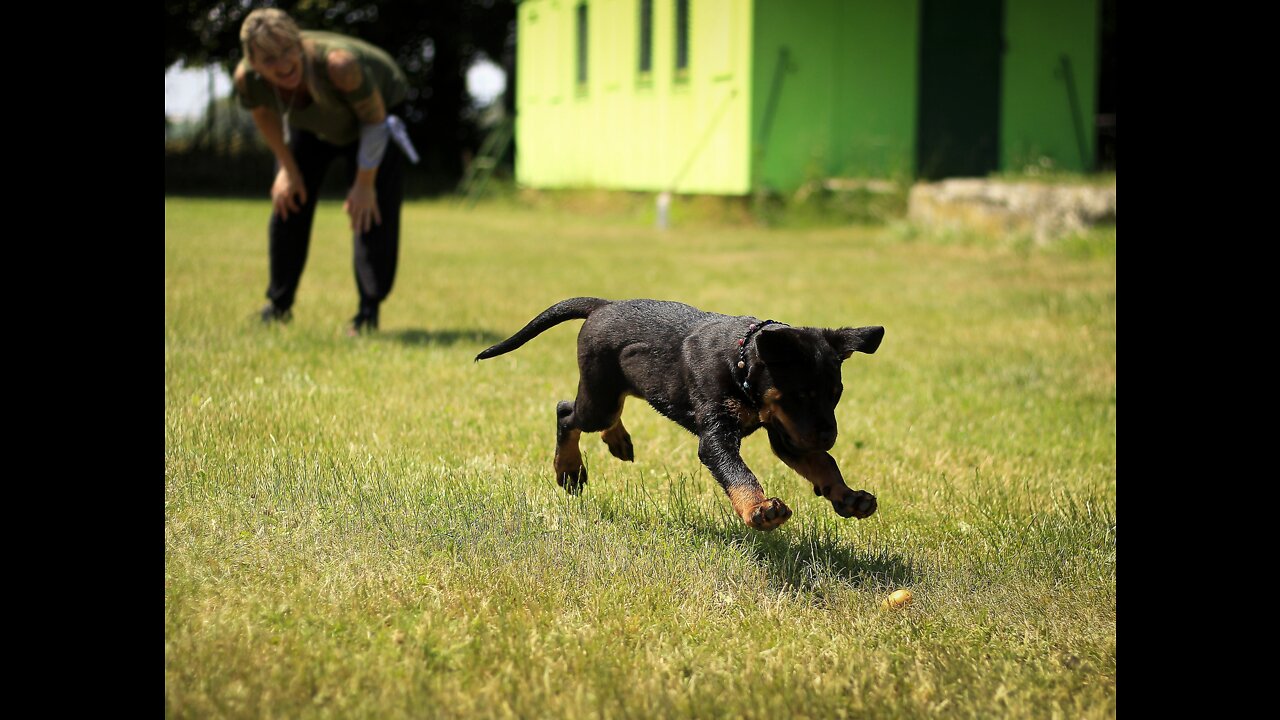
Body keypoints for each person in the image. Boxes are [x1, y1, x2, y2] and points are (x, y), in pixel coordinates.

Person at [235, 8, 417, 334]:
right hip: (314, 124)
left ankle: (367, 312)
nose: (284, 64)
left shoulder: (339, 65)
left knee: (370, 212)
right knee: (288, 200)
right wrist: (286, 168)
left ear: (299, 42)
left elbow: (375, 121)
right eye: (269, 59)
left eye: (288, 50)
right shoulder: (248, 79)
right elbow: (263, 113)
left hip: (374, 118)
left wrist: (364, 184)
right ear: (253, 61)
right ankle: (278, 305)